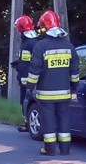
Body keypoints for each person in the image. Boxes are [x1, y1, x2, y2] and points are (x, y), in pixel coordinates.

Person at [27, 10, 79, 156]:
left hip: (46, 93)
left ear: (45, 27)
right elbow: (75, 71)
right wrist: (74, 87)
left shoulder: (40, 46)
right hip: (64, 92)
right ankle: (65, 149)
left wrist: (29, 86)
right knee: (64, 118)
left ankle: (49, 149)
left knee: (48, 119)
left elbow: (35, 70)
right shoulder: (69, 46)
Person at [12, 15, 38, 133]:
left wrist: (20, 67)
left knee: (25, 101)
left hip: (27, 79)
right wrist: (18, 63)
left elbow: (31, 62)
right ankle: (27, 123)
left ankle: (28, 123)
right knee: (25, 101)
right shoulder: (31, 41)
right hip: (27, 77)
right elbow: (26, 59)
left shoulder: (28, 43)